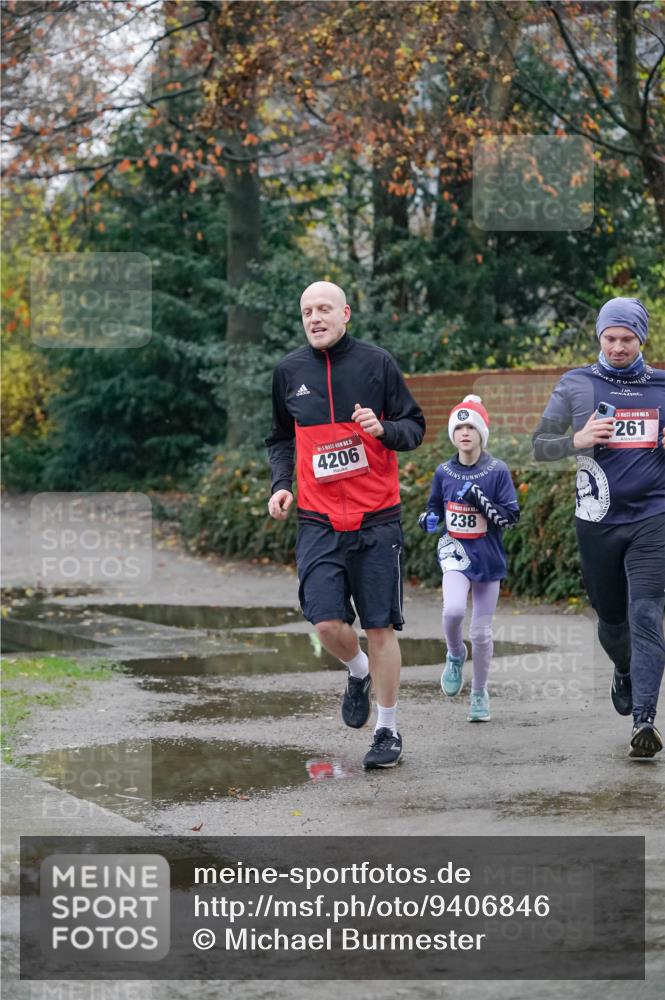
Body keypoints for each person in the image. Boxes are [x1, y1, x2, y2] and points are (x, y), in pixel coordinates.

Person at [266, 281, 425, 768]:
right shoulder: (289, 372)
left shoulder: (377, 365)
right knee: (326, 622)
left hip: (377, 520)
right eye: (307, 311)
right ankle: (357, 671)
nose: (315, 318)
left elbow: (414, 427)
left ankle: (387, 731)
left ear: (345, 314)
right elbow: (279, 437)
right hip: (318, 521)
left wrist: (384, 430)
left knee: (380, 628)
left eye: (324, 309)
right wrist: (280, 484)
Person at [533, 296, 665, 759]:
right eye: (610, 338)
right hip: (597, 521)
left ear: (641, 339)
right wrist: (578, 439)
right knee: (612, 621)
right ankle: (624, 669)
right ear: (599, 337)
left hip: (654, 518)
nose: (617, 347)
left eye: (627, 339)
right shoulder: (577, 384)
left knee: (646, 613)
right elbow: (539, 446)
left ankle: (644, 720)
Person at [418, 395, 520, 721]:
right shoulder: (444, 471)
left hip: (488, 558)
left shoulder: (497, 470)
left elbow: (510, 518)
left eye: (471, 427)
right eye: (459, 426)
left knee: (481, 632)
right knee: (452, 611)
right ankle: (454, 654)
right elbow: (434, 506)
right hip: (455, 554)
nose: (464, 432)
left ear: (481, 433)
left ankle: (479, 692)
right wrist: (429, 519)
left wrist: (477, 498)